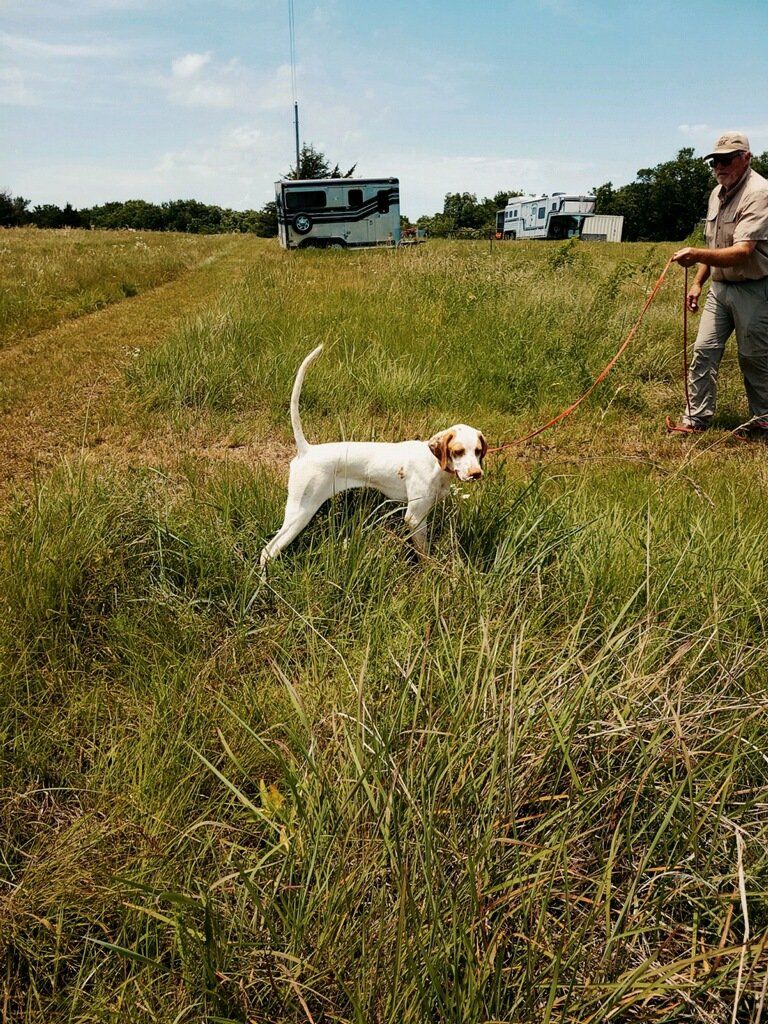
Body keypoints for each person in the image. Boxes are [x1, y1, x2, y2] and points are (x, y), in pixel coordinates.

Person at [667, 132, 768, 439]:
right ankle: (696, 418)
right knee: (703, 350)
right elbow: (715, 245)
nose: (719, 166)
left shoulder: (760, 192)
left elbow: (741, 252)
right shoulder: (716, 193)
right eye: (714, 161)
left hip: (755, 287)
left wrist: (697, 254)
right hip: (720, 289)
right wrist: (698, 282)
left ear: (746, 158)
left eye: (726, 159)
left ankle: (764, 421)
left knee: (753, 357)